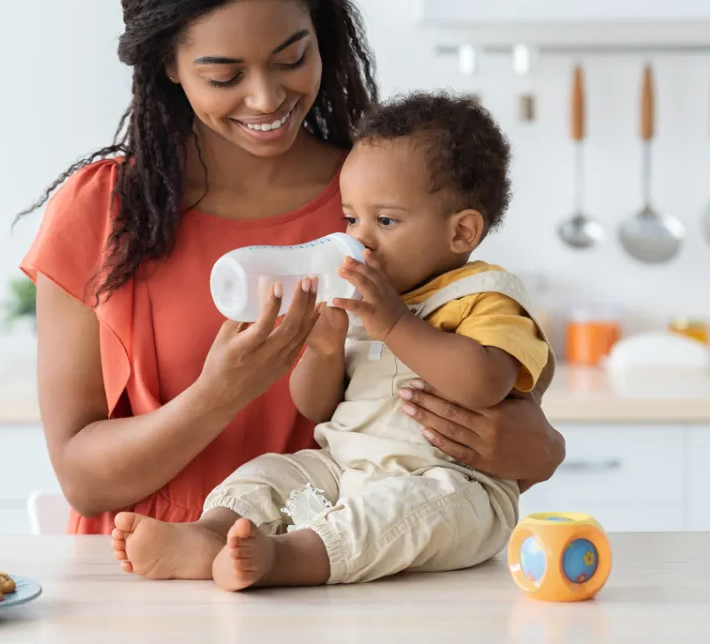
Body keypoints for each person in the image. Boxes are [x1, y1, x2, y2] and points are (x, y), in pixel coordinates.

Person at [17, 0, 566, 540]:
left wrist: (538, 448)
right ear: (169, 65)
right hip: (142, 571)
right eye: (225, 76)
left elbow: (493, 396)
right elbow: (82, 480)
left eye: (292, 58)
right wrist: (220, 393)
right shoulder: (102, 211)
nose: (265, 98)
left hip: (337, 566)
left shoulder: (382, 204)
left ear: (321, 34)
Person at [111, 91, 555, 590]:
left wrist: (395, 325)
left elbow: (484, 384)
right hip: (342, 465)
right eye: (350, 218)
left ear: (462, 232)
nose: (360, 238)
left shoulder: (485, 295)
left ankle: (283, 560)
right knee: (271, 473)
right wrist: (322, 351)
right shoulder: (366, 298)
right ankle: (210, 534)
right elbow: (316, 408)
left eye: (385, 221)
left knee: (398, 511)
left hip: (447, 483)